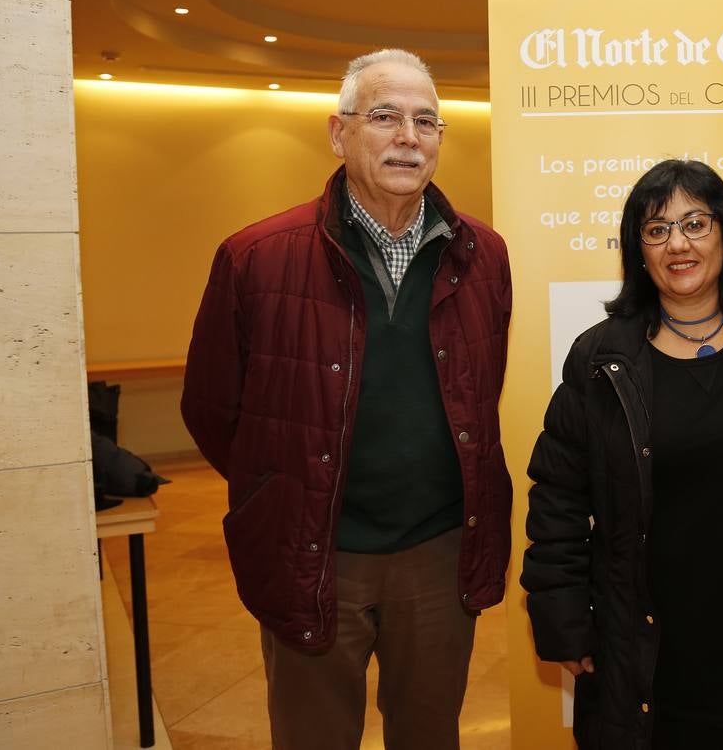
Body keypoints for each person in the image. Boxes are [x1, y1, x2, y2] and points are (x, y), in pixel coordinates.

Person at [181, 48, 513, 750]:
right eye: (386, 116)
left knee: (430, 736)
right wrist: (284, 487)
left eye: (426, 121)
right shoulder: (256, 257)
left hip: (440, 550)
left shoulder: (485, 255)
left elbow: (480, 390)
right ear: (339, 133)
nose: (408, 137)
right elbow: (212, 412)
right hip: (313, 548)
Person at [522, 159, 723, 749]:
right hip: (647, 647)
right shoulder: (600, 359)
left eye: (695, 224)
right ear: (638, 250)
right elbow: (558, 498)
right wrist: (564, 621)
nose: (678, 243)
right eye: (656, 230)